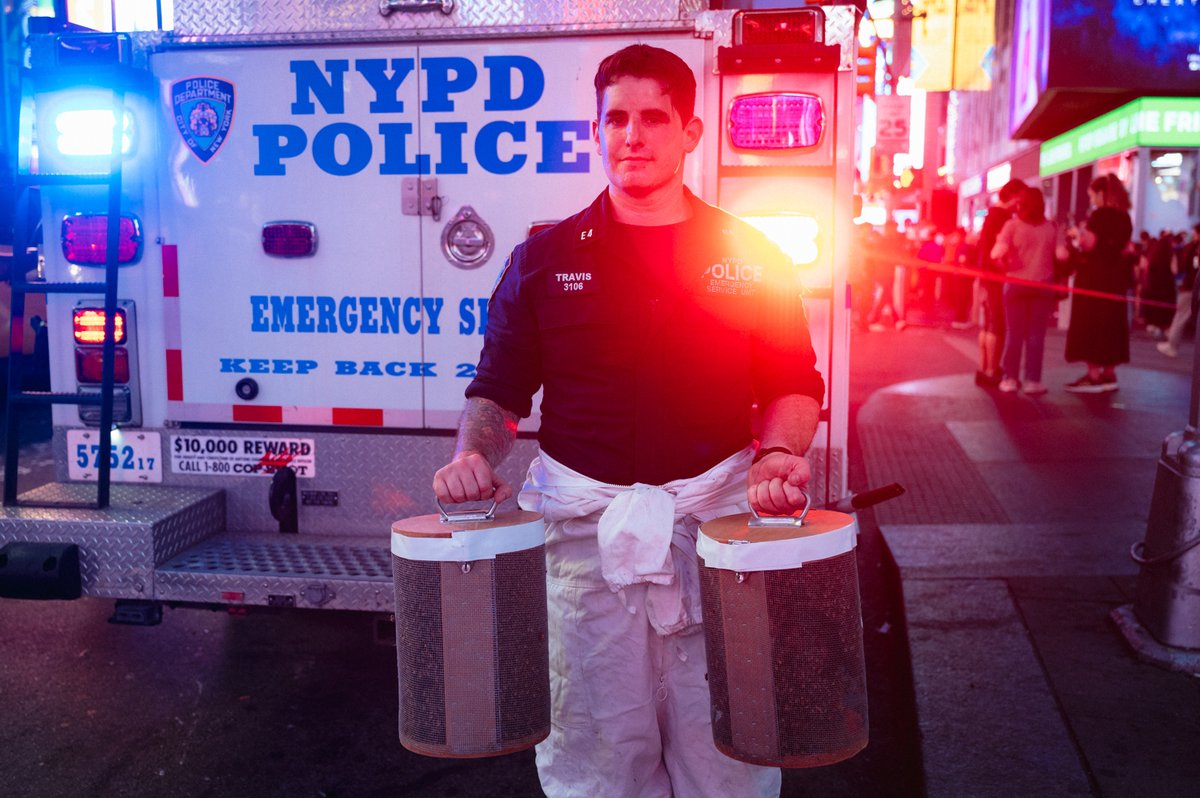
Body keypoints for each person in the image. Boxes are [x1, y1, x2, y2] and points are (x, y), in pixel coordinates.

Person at [432, 44, 825, 798]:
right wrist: (474, 456)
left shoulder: (752, 255)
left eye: (653, 118)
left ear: (691, 133)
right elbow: (500, 391)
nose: (633, 136)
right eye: (617, 118)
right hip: (583, 547)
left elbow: (792, 382)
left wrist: (778, 454)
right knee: (596, 755)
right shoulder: (542, 259)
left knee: (730, 749)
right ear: (597, 130)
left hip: (715, 534)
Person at [1063, 173, 1134, 392]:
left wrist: (1077, 235)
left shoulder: (1099, 216)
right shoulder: (1125, 217)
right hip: (1116, 280)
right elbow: (1124, 248)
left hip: (1094, 279)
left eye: (1092, 195)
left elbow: (1089, 245)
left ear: (1101, 194)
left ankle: (1093, 376)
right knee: (1112, 324)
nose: (1092, 200)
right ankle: (1108, 373)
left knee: (1091, 323)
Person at [990, 186, 1058, 395]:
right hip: (1042, 285)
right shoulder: (1051, 227)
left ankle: (1010, 378)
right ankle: (1033, 380)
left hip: (1016, 285)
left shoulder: (1012, 226)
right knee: (1036, 335)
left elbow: (997, 253)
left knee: (1014, 333)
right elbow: (1062, 255)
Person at [975, 178, 1026, 386]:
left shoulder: (991, 215)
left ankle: (986, 367)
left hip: (986, 274)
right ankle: (992, 369)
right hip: (996, 276)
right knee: (997, 323)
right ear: (1014, 196)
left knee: (989, 323)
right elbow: (1000, 251)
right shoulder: (1003, 218)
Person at [1158, 223, 1199, 358]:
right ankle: (1172, 344)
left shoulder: (1195, 248)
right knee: (1181, 315)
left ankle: (1172, 345)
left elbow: (1191, 267)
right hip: (1191, 286)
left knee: (1180, 316)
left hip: (1190, 287)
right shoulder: (1193, 247)